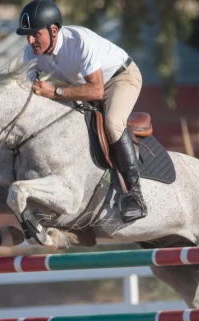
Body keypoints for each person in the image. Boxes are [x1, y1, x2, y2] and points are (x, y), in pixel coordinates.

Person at [16, 0, 147, 223]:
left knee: (113, 122)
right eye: (27, 35)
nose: (30, 41)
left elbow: (96, 91)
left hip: (120, 78)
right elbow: (29, 92)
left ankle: (134, 194)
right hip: (83, 86)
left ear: (54, 30)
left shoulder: (79, 41)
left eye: (35, 34)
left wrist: (55, 92)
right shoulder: (30, 53)